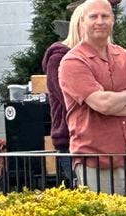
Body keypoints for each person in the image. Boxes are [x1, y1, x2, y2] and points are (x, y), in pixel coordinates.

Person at [58, 0, 126, 200]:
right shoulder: (72, 62)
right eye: (93, 16)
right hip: (97, 162)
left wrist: (112, 104)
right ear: (82, 22)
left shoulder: (125, 56)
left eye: (105, 16)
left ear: (113, 20)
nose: (100, 21)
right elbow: (102, 103)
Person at [43, 2, 86, 187]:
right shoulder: (58, 59)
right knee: (86, 192)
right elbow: (69, 99)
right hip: (70, 138)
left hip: (98, 138)